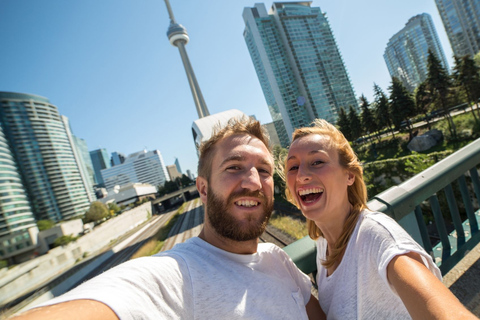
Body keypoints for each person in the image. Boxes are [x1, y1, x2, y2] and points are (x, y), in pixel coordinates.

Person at [12, 117, 324, 320]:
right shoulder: (177, 275)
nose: (253, 182)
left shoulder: (277, 260)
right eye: (233, 167)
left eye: (264, 171)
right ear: (203, 189)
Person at [282, 119, 477, 320]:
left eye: (317, 162)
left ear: (349, 175)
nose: (302, 175)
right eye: (293, 167)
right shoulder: (323, 244)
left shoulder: (377, 236)